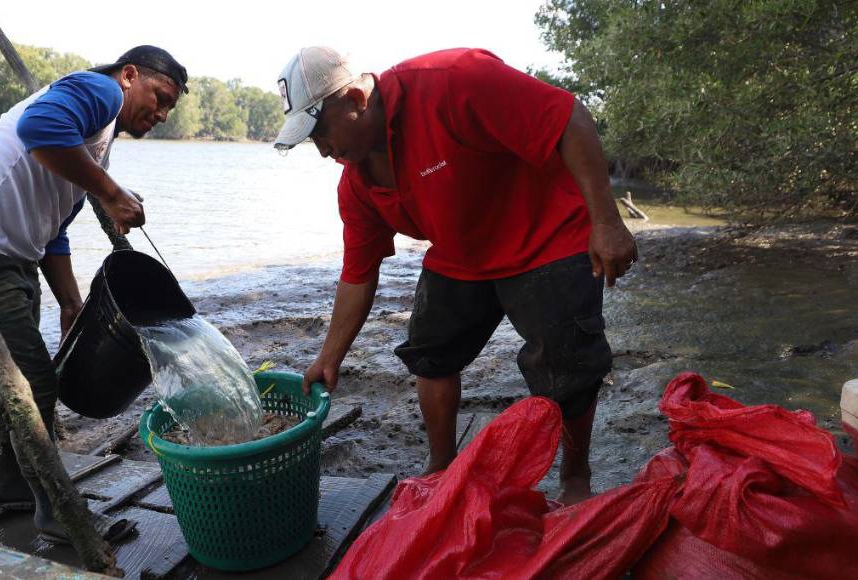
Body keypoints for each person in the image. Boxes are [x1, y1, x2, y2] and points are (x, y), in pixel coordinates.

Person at [273, 46, 637, 505]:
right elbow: (358, 274)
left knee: (568, 363)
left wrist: (606, 221)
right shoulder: (357, 182)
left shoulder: (453, 80)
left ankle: (575, 477)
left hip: (545, 234)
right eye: (312, 141)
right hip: (462, 252)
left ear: (356, 100)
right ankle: (441, 465)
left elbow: (569, 118)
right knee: (430, 352)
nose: (324, 151)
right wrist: (330, 357)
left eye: (321, 132)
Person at [0, 45, 188, 542]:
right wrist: (111, 192)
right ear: (129, 75)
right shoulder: (100, 91)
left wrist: (71, 303)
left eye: (169, 108)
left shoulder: (96, 136)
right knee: (33, 383)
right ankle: (60, 512)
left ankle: (11, 488)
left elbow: (55, 228)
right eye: (160, 97)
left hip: (8, 257)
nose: (161, 113)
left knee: (10, 376)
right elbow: (38, 128)